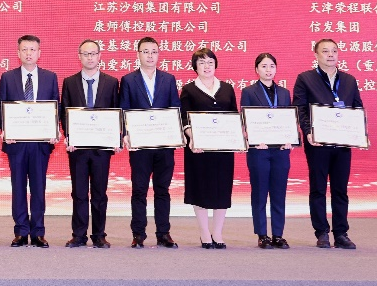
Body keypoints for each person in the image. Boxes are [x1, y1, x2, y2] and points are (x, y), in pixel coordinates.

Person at [292, 38, 363, 250]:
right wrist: (308, 132)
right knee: (318, 188)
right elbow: (300, 108)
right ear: (316, 55)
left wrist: (360, 134)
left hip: (342, 143)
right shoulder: (305, 78)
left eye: (334, 51)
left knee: (340, 189)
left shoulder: (349, 80)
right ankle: (322, 232)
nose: (330, 55)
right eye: (325, 51)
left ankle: (341, 233)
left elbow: (357, 109)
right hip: (318, 143)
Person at [0, 34, 60, 248]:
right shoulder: (8, 77)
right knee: (18, 187)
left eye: (32, 49)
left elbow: (55, 107)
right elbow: (1, 107)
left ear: (39, 53)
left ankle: (38, 232)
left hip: (41, 143)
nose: (28, 53)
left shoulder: (50, 77)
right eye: (24, 49)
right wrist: (6, 130)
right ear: (18, 53)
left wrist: (54, 130)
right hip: (16, 143)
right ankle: (21, 231)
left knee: (38, 188)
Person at [118, 36, 181, 249]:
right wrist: (125, 134)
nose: (150, 56)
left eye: (154, 52)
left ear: (159, 54)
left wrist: (176, 135)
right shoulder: (128, 80)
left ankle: (163, 234)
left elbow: (175, 108)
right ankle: (138, 234)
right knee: (139, 190)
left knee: (162, 190)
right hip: (140, 146)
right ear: (138, 54)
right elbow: (124, 109)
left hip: (164, 145)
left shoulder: (168, 79)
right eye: (145, 52)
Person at [59, 39, 120, 248]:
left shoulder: (111, 82)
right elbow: (65, 112)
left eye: (93, 53)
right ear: (79, 57)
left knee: (100, 193)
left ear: (100, 56)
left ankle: (99, 235)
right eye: (85, 54)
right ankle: (78, 235)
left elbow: (116, 113)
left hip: (102, 149)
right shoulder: (70, 82)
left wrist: (116, 139)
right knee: (79, 192)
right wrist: (69, 136)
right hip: (78, 148)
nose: (90, 57)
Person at [180, 47, 238, 249]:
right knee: (201, 188)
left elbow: (234, 117)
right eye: (202, 62)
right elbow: (184, 118)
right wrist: (193, 138)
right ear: (195, 66)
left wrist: (237, 138)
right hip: (199, 149)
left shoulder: (227, 88)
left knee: (222, 189)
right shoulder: (188, 89)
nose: (207, 66)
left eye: (210, 62)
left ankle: (218, 232)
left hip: (223, 149)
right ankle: (205, 232)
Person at [240, 53, 293, 250]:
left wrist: (289, 139)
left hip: (280, 151)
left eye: (272, 66)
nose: (268, 70)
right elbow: (246, 119)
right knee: (260, 193)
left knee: (279, 193)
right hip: (259, 150)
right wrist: (254, 139)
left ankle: (278, 235)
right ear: (256, 69)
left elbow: (288, 119)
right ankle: (262, 235)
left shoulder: (285, 93)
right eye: (264, 66)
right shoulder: (248, 92)